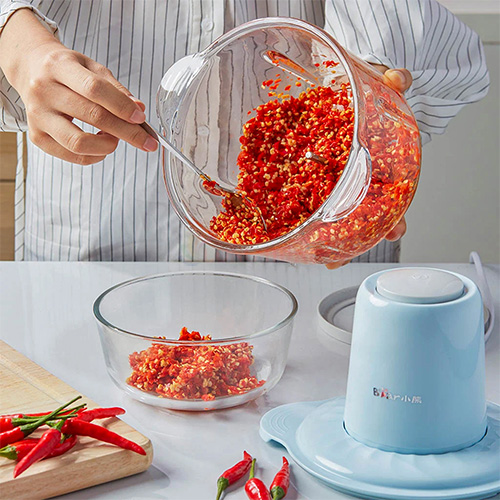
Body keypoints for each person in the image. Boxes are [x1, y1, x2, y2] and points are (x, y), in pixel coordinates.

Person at [0, 0, 489, 263]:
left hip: (316, 250)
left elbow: (399, 42)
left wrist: (370, 108)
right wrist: (22, 48)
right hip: (96, 245)